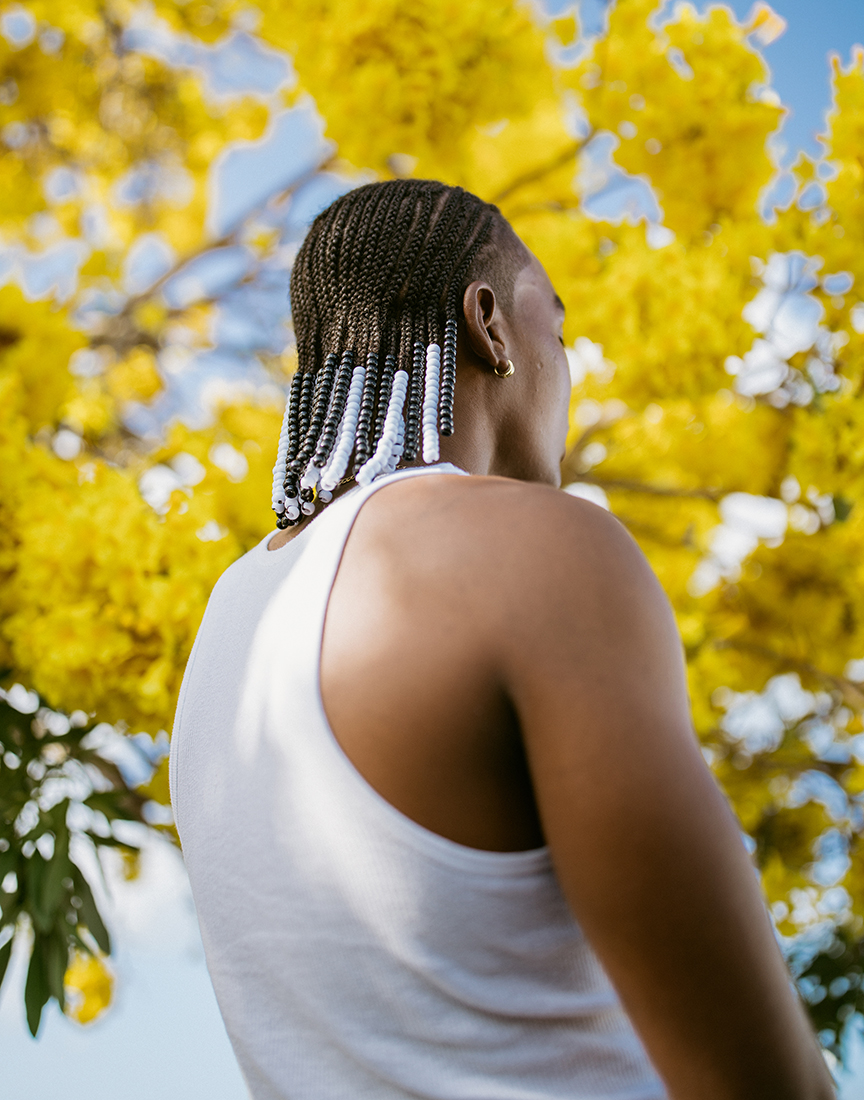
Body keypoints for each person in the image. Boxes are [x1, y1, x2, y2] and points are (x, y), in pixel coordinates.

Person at [170, 179, 835, 1100]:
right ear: (489, 325)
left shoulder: (224, 629)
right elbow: (761, 1081)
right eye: (556, 329)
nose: (567, 362)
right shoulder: (540, 548)